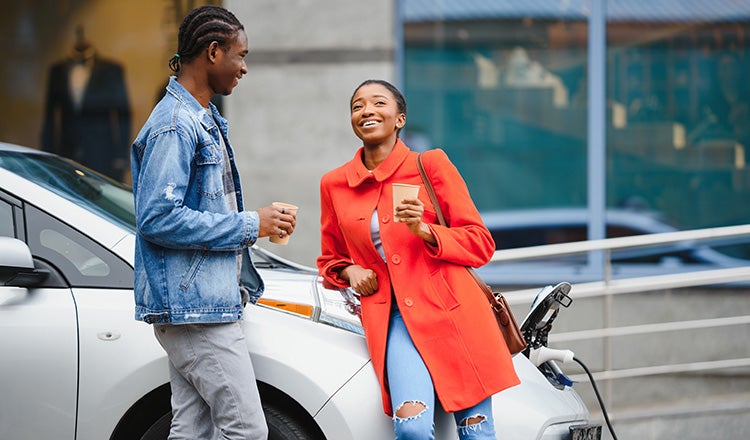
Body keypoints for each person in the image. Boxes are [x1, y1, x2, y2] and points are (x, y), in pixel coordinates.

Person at [317, 79, 520, 439]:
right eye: (357, 106)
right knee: (412, 430)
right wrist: (351, 271)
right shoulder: (334, 184)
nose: (367, 111)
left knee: (477, 434)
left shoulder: (431, 165)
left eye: (379, 103)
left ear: (400, 118)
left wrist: (426, 231)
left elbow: (480, 244)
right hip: (393, 317)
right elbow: (330, 258)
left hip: (453, 312)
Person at [131, 6, 295, 439]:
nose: (244, 67)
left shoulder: (201, 119)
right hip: (194, 310)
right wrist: (249, 224)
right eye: (240, 55)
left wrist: (258, 222)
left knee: (193, 429)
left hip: (198, 304)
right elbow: (157, 217)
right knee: (246, 430)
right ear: (213, 51)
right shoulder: (175, 125)